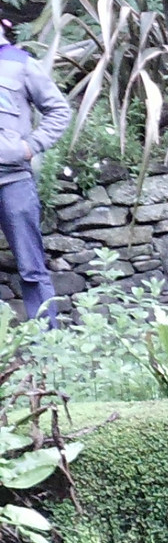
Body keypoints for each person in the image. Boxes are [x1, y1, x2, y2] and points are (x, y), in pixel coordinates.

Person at [0, 25, 70, 329]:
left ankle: (49, 351)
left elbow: (59, 111)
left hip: (13, 180)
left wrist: (30, 147)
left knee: (31, 267)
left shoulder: (22, 64)